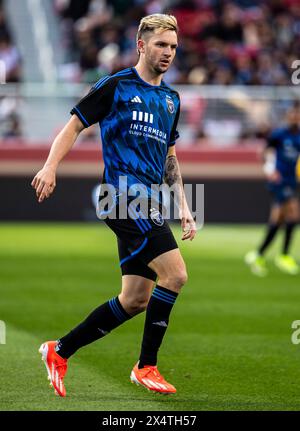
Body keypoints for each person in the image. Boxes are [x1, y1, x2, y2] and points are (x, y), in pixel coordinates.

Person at [31, 13, 197, 397]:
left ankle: (60, 350)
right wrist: (50, 167)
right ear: (141, 45)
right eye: (161, 44)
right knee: (176, 275)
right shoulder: (117, 86)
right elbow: (74, 125)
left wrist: (184, 206)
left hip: (149, 200)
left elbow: (170, 157)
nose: (168, 52)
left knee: (136, 298)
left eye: (173, 46)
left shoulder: (171, 99)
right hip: (122, 197)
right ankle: (146, 366)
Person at [245, 103, 300, 276]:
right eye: (293, 114)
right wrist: (270, 170)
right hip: (279, 181)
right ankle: (283, 256)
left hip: (292, 181)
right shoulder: (279, 134)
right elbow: (263, 151)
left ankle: (258, 254)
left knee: (278, 220)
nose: (295, 117)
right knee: (293, 214)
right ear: (288, 116)